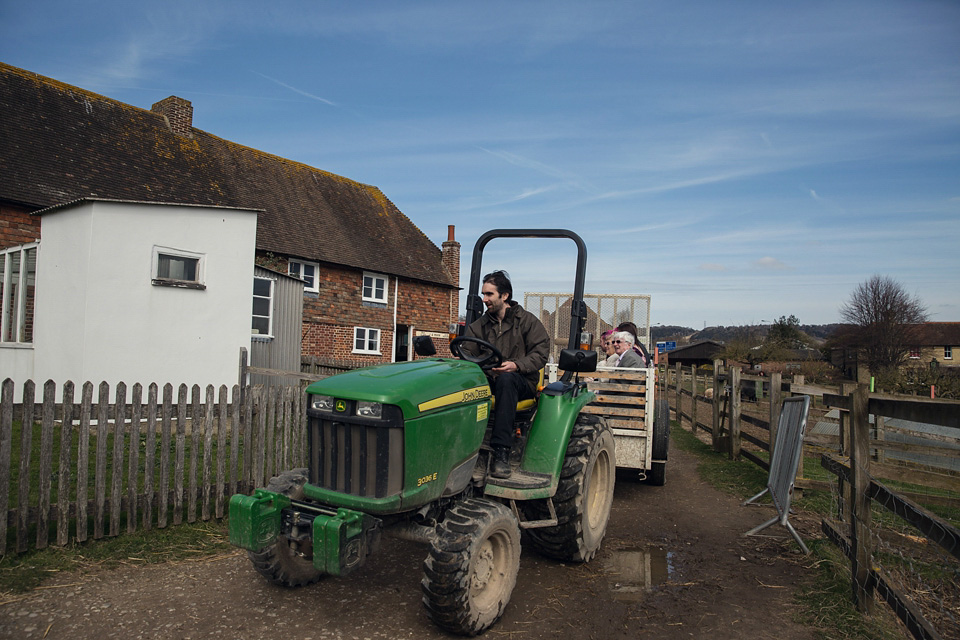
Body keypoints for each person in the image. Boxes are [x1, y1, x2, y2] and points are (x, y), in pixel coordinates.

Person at [464, 270, 549, 478]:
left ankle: (501, 451)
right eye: (483, 294)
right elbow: (467, 351)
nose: (484, 299)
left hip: (521, 382)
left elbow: (540, 353)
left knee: (507, 379)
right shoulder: (479, 326)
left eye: (489, 294)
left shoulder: (527, 322)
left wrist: (516, 365)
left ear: (504, 296)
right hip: (489, 379)